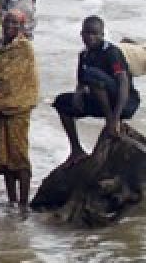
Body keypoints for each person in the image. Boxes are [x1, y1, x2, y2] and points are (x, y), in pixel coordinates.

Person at [52, 15, 138, 164]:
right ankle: (76, 150)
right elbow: (81, 82)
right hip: (100, 100)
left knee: (93, 74)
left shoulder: (111, 52)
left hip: (124, 102)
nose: (90, 37)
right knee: (62, 102)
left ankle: (110, 121)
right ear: (81, 34)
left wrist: (114, 118)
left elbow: (124, 84)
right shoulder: (84, 55)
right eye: (87, 33)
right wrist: (78, 94)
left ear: (102, 35)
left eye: (95, 34)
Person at [0, 11, 39, 208]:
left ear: (21, 26)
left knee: (19, 156)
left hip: (18, 109)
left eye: (15, 22)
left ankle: (24, 202)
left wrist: (8, 102)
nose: (10, 25)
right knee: (4, 156)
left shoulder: (24, 48)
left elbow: (23, 79)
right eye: (7, 21)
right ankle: (11, 200)